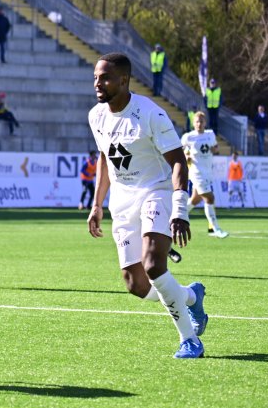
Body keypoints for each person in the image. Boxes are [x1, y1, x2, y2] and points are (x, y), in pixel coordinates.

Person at [87, 52, 208, 359]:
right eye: (96, 78)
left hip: (157, 192)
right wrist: (97, 204)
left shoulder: (151, 114)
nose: (98, 83)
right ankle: (191, 296)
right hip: (122, 200)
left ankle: (189, 339)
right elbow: (104, 158)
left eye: (105, 77)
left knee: (154, 265)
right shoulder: (96, 116)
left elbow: (178, 161)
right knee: (135, 284)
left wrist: (180, 209)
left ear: (124, 80)